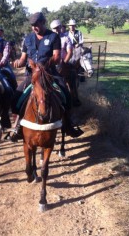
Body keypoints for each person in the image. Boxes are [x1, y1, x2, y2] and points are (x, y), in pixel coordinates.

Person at [10, 12, 83, 141]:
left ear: (43, 22)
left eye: (36, 25)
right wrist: (17, 63)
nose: (34, 28)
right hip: (31, 75)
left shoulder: (53, 37)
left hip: (50, 74)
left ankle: (68, 125)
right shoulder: (28, 39)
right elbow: (23, 58)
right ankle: (18, 127)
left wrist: (43, 65)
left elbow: (56, 57)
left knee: (66, 94)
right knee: (16, 96)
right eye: (32, 26)